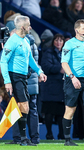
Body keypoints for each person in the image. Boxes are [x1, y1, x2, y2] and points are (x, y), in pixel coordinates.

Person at [0, 15, 47, 146]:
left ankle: (22, 138)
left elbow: (31, 60)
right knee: (24, 106)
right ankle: (23, 138)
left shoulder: (25, 40)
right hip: (15, 77)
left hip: (23, 78)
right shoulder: (12, 41)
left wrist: (40, 72)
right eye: (29, 25)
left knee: (21, 107)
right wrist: (7, 81)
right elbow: (3, 61)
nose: (30, 27)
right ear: (22, 27)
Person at [5, 34, 41, 145]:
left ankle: (19, 138)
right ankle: (31, 138)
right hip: (29, 81)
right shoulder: (30, 43)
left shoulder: (22, 43)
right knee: (29, 109)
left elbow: (29, 63)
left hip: (23, 80)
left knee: (20, 109)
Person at [40, 34, 65, 140]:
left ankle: (61, 134)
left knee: (61, 112)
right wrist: (59, 69)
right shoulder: (48, 52)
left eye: (61, 40)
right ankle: (49, 133)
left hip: (61, 86)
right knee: (49, 111)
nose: (58, 43)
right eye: (56, 40)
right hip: (50, 85)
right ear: (53, 42)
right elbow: (45, 67)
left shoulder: (65, 53)